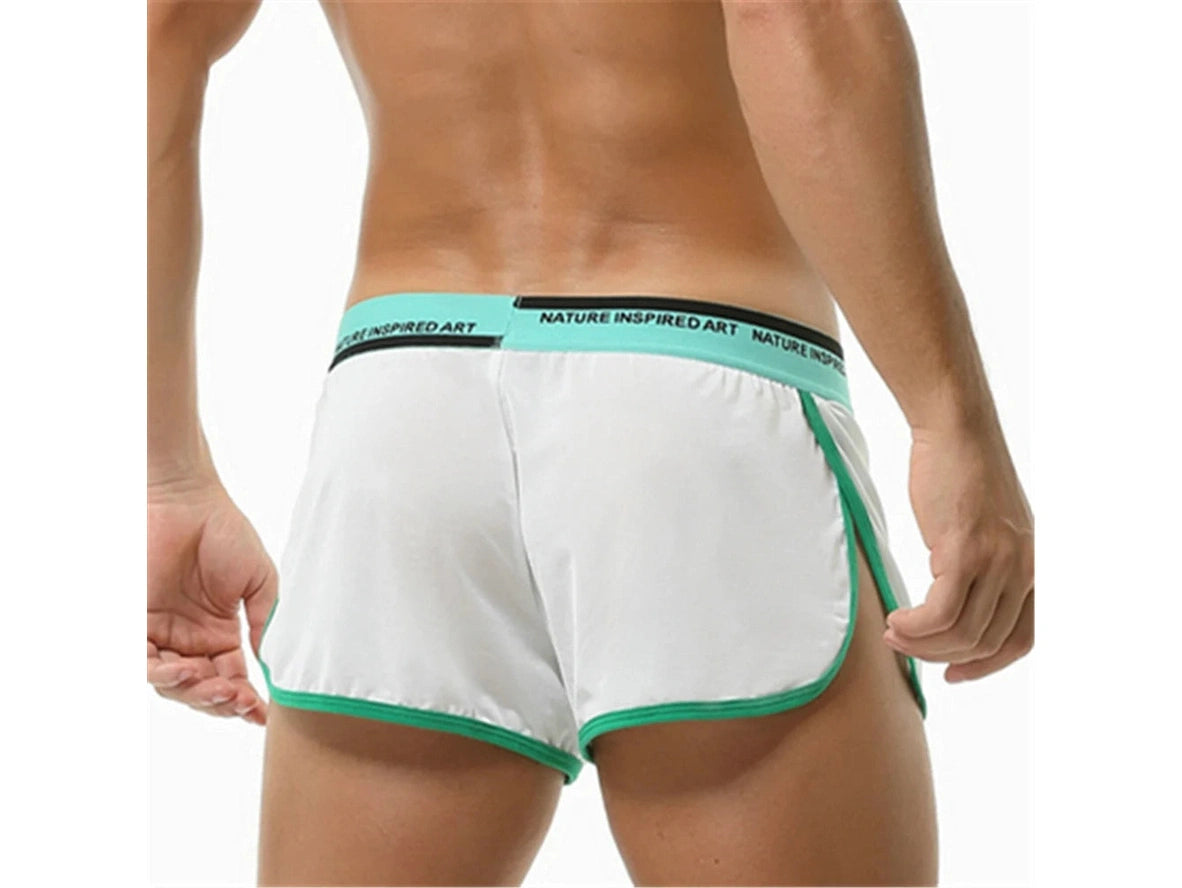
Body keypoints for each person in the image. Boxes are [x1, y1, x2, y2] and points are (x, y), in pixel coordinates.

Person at [147, 1, 1034, 884]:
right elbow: (798, 12)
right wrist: (949, 420)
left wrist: (167, 475)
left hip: (400, 397)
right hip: (692, 381)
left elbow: (158, 37)